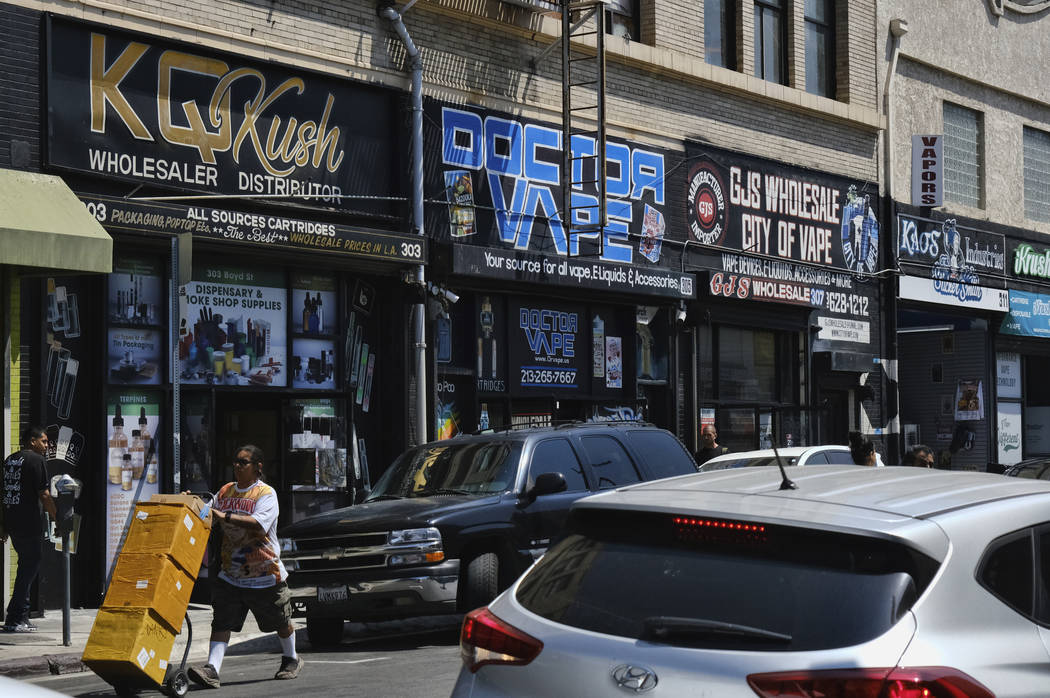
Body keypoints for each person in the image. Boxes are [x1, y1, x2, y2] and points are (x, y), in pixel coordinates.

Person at [188, 445, 303, 688]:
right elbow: (208, 515)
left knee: (281, 621)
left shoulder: (265, 494)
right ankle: (212, 670)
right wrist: (193, 504)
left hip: (264, 573)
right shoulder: (226, 491)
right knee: (221, 621)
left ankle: (291, 659)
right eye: (235, 461)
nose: (237, 466)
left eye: (243, 462)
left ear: (258, 467)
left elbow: (259, 525)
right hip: (231, 573)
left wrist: (225, 517)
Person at [2, 426, 56, 632]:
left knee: (26, 566)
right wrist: (57, 517)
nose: (47, 445)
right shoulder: (37, 461)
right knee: (29, 567)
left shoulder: (10, 460)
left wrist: (4, 526)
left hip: (13, 522)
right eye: (44, 441)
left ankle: (17, 616)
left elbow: (5, 492)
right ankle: (16, 617)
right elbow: (44, 494)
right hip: (29, 522)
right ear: (32, 441)